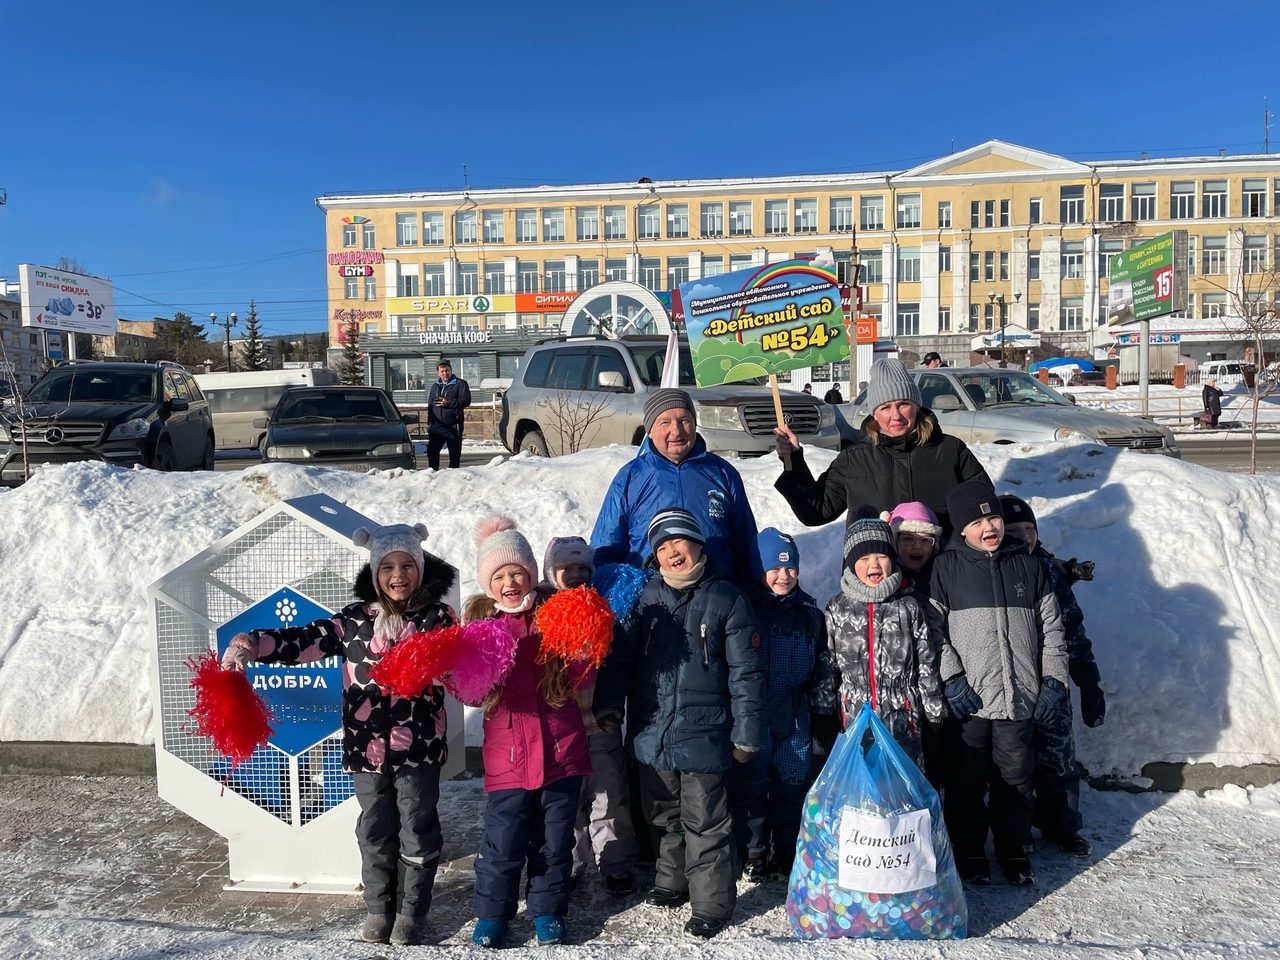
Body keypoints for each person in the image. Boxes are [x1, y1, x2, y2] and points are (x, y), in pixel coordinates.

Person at [222, 523, 456, 946]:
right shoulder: (352, 621)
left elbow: (461, 665)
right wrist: (250, 644)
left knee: (417, 829)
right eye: (387, 566)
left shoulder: (436, 619)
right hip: (367, 751)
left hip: (419, 748)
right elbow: (303, 641)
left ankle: (411, 910)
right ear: (374, 571)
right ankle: (379, 907)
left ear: (421, 569)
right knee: (373, 830)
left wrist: (451, 670)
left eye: (407, 564)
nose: (398, 574)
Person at [594, 508, 765, 940]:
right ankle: (673, 880)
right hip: (652, 731)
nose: (673, 552)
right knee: (663, 814)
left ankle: (712, 901)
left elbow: (747, 674)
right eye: (663, 546)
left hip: (705, 732)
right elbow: (620, 659)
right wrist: (610, 705)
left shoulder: (727, 599)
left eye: (680, 542)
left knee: (705, 819)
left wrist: (746, 733)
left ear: (699, 545)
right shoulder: (645, 598)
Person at [929, 480, 1068, 887]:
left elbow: (1053, 630)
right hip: (971, 700)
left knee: (1016, 778)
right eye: (976, 521)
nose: (988, 526)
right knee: (966, 780)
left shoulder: (1027, 565)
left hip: (1018, 697)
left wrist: (1054, 679)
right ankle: (970, 850)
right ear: (961, 529)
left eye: (993, 517)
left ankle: (1013, 848)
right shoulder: (947, 568)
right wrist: (951, 677)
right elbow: (933, 631)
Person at [464, 516, 591, 949]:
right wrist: (463, 670)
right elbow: (472, 693)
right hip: (508, 760)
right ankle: (492, 914)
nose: (510, 581)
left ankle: (547, 911)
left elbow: (580, 676)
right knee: (501, 844)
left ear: (532, 573)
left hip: (561, 752)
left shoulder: (555, 614)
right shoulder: (482, 628)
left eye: (517, 571)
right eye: (499, 576)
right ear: (488, 584)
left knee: (554, 842)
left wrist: (584, 648)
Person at [773, 358, 990, 541]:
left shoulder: (951, 450)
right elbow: (816, 512)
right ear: (874, 414)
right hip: (874, 576)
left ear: (917, 405)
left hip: (941, 573)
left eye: (903, 404)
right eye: (885, 408)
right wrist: (793, 462)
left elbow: (984, 507)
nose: (896, 415)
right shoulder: (853, 460)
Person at [1000, 495, 1106, 858]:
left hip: (1053, 682)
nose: (1024, 536)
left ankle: (1062, 826)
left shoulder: (1049, 570)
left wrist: (1088, 683)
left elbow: (1072, 630)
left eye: (1030, 529)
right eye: (1013, 530)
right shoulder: (990, 570)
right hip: (1009, 687)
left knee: (1058, 761)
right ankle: (1017, 829)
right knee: (1014, 765)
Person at [811, 509, 945, 768]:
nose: (874, 565)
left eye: (881, 556)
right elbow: (827, 664)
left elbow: (926, 663)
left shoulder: (907, 606)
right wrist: (822, 711)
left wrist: (934, 713)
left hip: (903, 720)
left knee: (901, 793)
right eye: (864, 557)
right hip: (854, 719)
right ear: (850, 562)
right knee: (861, 795)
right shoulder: (838, 608)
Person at [542, 537, 637, 898]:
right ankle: (575, 862)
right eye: (570, 568)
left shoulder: (603, 610)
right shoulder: (544, 612)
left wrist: (612, 708)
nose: (578, 575)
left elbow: (615, 664)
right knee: (569, 801)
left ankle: (615, 864)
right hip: (560, 726)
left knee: (608, 796)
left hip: (599, 721)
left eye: (584, 568)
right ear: (553, 572)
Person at [731, 527, 828, 883]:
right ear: (760, 569)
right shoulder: (744, 608)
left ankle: (786, 853)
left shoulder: (810, 614)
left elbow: (820, 665)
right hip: (752, 713)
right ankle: (754, 851)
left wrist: (820, 710)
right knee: (751, 785)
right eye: (774, 568)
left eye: (790, 569)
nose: (783, 576)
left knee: (792, 783)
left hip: (793, 712)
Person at [592, 388, 761, 587]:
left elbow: (746, 543)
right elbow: (604, 548)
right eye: (665, 422)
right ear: (650, 430)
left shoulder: (722, 472)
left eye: (684, 421)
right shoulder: (630, 477)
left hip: (715, 597)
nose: (676, 431)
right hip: (648, 599)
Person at [426, 359, 471, 470]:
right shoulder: (435, 386)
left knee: (454, 454)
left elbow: (466, 400)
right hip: (437, 425)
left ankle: (453, 476)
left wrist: (448, 403)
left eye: (447, 370)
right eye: (442, 371)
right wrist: (430, 422)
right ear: (438, 373)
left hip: (453, 424)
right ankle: (433, 474)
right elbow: (430, 405)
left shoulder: (460, 384)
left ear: (451, 370)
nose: (445, 373)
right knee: (432, 451)